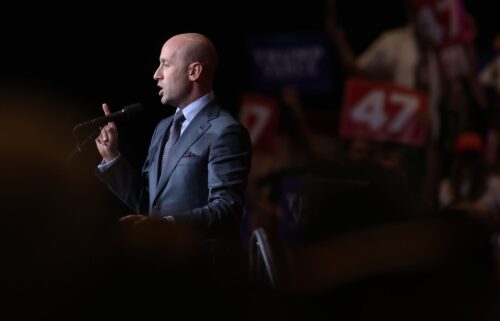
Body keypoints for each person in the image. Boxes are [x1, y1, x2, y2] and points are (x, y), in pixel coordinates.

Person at [94, 33, 252, 271]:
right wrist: (112, 157)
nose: (156, 74)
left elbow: (226, 208)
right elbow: (149, 204)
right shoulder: (163, 128)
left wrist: (168, 225)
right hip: (163, 267)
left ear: (194, 72)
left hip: (203, 273)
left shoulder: (225, 131)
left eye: (165, 64)